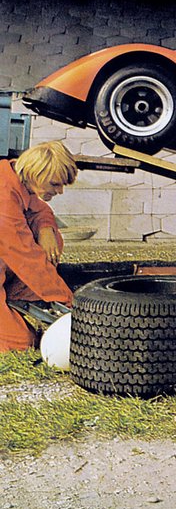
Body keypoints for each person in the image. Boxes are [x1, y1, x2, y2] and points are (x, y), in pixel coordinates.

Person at [0, 141, 78, 352]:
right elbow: (25, 255)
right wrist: (70, 303)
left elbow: (40, 210)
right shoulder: (3, 193)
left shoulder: (17, 179)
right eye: (54, 184)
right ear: (37, 174)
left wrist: (45, 230)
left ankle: (17, 297)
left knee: (53, 237)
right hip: (14, 258)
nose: (59, 191)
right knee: (22, 344)